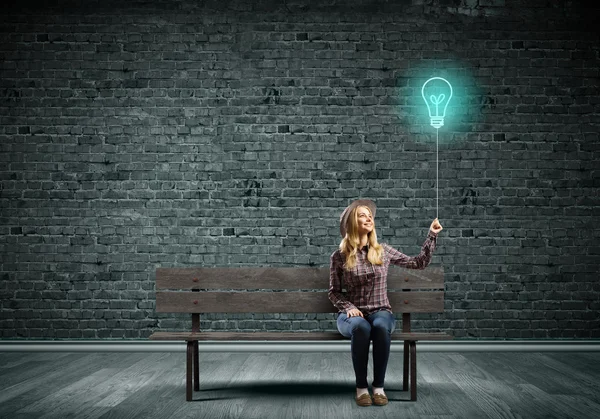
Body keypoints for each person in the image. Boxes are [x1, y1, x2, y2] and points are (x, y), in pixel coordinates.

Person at [328, 199, 443, 407]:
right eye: (362, 215)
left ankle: (379, 387)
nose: (369, 217)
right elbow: (334, 293)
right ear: (352, 223)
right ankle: (361, 387)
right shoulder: (339, 256)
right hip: (351, 316)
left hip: (381, 311)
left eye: (369, 215)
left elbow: (418, 263)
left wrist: (431, 235)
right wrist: (349, 308)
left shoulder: (383, 251)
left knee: (380, 326)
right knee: (361, 327)